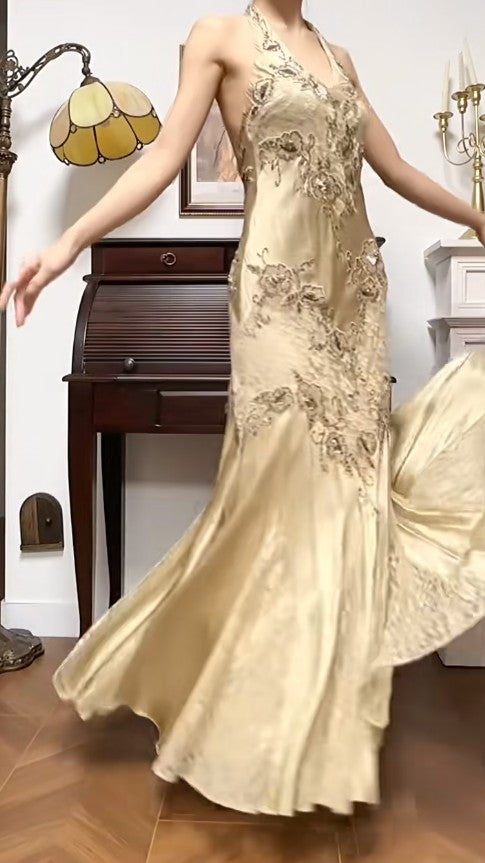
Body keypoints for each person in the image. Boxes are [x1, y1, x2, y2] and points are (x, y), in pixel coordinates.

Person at [2, 0, 485, 818]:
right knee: (268, 496)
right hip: (277, 295)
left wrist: (476, 216)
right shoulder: (218, 37)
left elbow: (395, 169)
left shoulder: (339, 56)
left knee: (342, 502)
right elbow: (162, 160)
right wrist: (66, 244)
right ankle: (211, 693)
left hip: (352, 298)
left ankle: (310, 717)